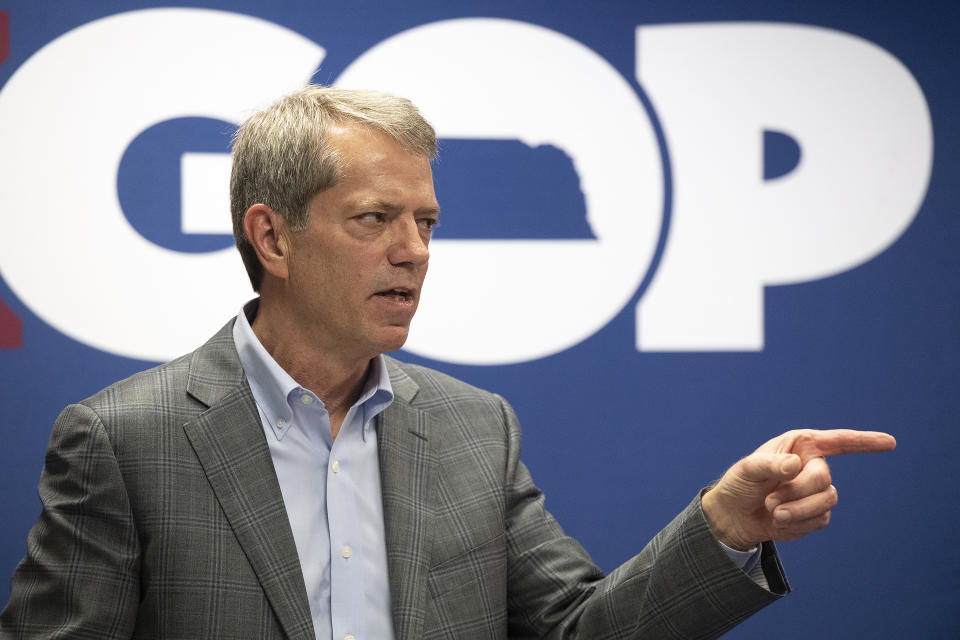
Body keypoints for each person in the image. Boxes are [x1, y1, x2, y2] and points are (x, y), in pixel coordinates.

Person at [0, 85, 895, 639]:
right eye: (375, 219)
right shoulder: (124, 440)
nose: (414, 250)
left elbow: (583, 635)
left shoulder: (473, 430)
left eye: (425, 223)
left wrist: (725, 527)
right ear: (272, 236)